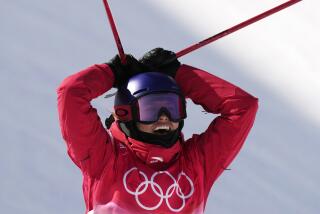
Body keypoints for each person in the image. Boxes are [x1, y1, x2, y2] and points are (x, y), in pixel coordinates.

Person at [57, 48, 258, 214]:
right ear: (127, 113)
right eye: (151, 108)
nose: (164, 117)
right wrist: (111, 72)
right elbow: (71, 93)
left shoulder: (197, 164)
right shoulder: (105, 160)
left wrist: (179, 76)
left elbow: (242, 108)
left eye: (172, 108)